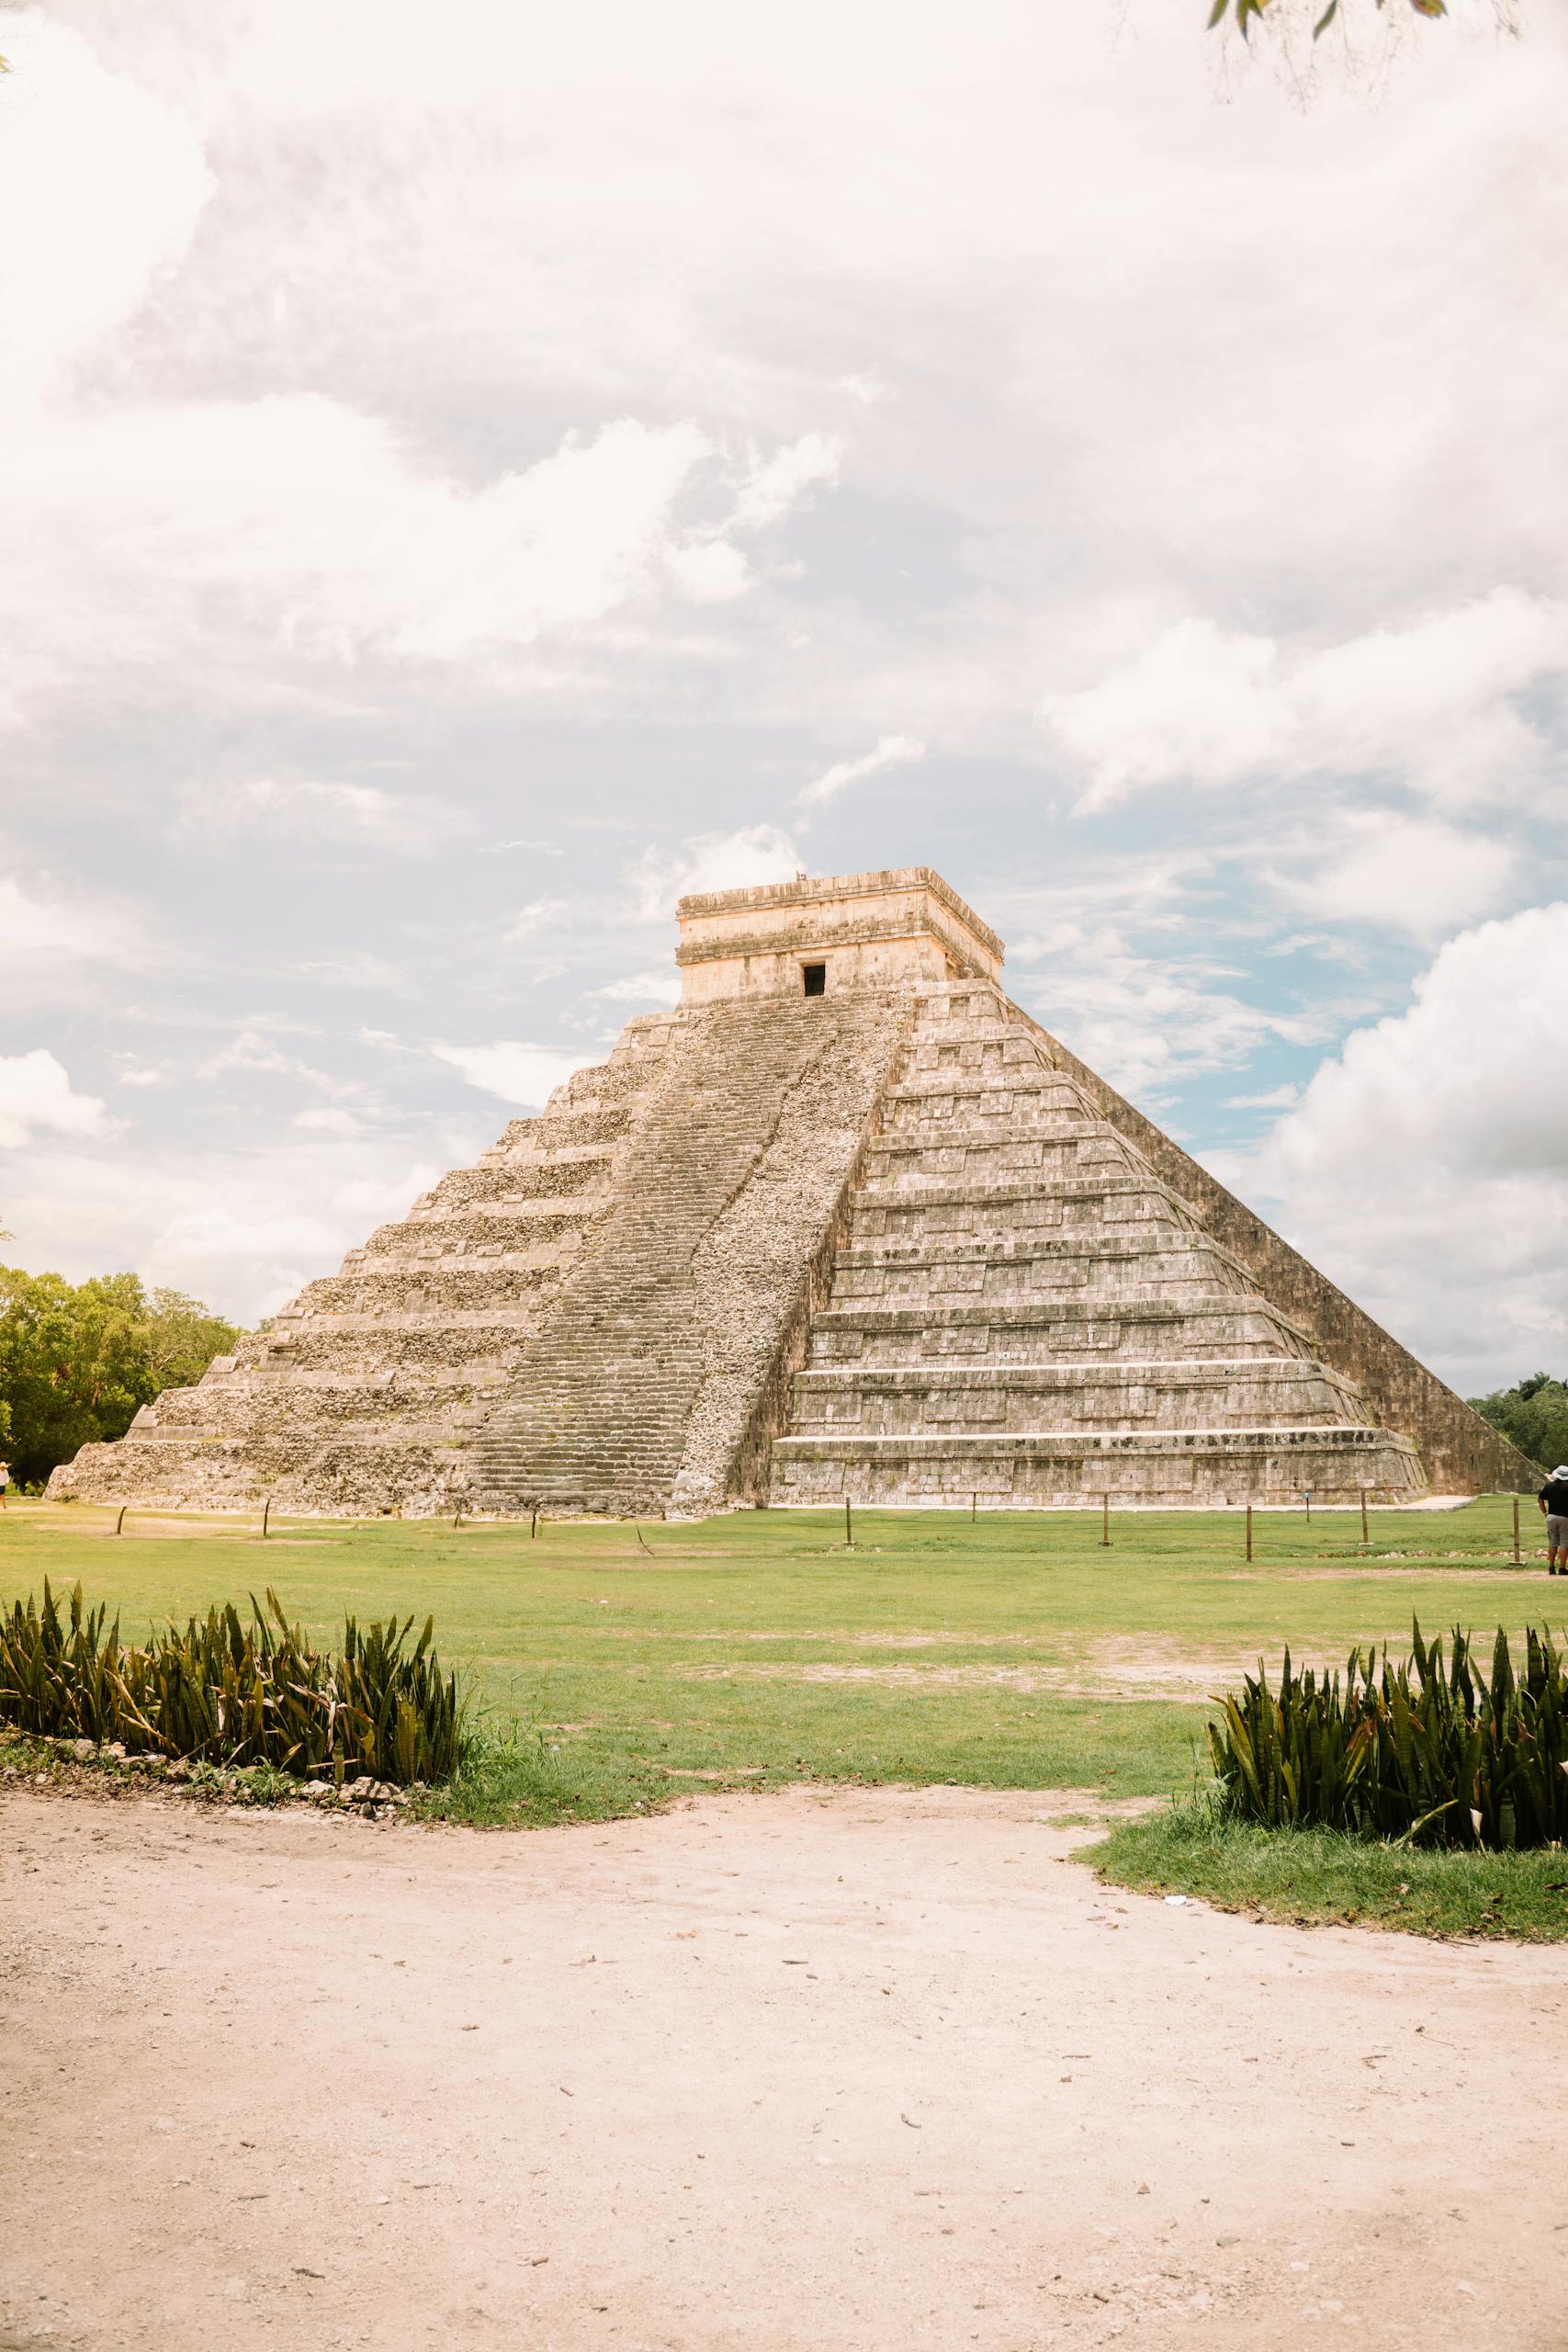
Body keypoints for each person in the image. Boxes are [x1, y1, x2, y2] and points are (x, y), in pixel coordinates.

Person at [1540, 1465, 1568, 1576]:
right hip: (1566, 1518)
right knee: (1564, 1544)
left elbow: (1540, 1498)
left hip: (1551, 1517)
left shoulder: (1549, 1485)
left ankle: (1551, 1567)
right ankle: (1562, 1568)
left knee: (1552, 1543)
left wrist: (1545, 1512)